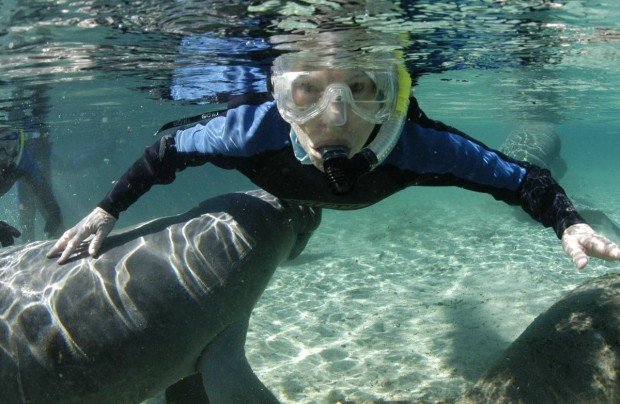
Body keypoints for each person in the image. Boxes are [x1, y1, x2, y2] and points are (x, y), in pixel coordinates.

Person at [47, 36, 620, 270]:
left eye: (361, 89)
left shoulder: (417, 146)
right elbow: (165, 151)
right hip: (289, 188)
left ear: (391, 98)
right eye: (307, 91)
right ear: (281, 96)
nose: (335, 116)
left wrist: (565, 222)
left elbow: (523, 179)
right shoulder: (252, 129)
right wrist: (106, 209)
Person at [0, 126, 64, 246]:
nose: (2, 156)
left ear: (18, 143)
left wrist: (54, 211)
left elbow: (42, 188)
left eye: (8, 146)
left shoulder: (23, 159)